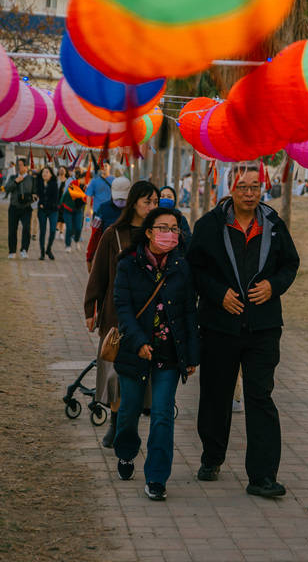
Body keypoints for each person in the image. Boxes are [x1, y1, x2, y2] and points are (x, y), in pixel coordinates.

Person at [187, 162, 300, 498]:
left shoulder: (274, 225)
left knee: (260, 397)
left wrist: (274, 286)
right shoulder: (209, 225)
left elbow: (290, 264)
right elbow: (194, 269)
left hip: (263, 327)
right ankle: (212, 457)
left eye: (255, 187)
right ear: (230, 189)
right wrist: (217, 294)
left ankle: (262, 476)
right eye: (243, 187)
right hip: (219, 326)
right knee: (216, 394)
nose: (250, 193)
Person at [112, 206, 200, 501]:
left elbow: (189, 312)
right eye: (163, 228)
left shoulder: (181, 267)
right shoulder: (128, 264)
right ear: (149, 232)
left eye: (174, 229)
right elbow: (123, 308)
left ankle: (157, 477)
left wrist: (192, 355)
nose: (169, 234)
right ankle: (126, 452)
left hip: (169, 353)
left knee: (163, 414)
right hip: (135, 351)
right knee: (129, 411)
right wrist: (138, 341)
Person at [84, 181, 160, 448]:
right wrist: (90, 308)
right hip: (116, 317)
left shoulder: (159, 235)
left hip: (149, 317)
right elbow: (99, 275)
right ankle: (115, 423)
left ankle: (129, 424)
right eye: (147, 202)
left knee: (142, 377)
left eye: (156, 202)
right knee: (115, 374)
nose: (152, 207)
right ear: (133, 203)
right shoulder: (113, 234)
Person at [86, 176, 132, 272]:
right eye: (118, 198)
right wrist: (90, 256)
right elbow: (95, 235)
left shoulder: (135, 209)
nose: (120, 201)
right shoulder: (102, 209)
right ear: (111, 191)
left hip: (130, 257)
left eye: (123, 198)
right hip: (107, 256)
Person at [4, 157, 37, 260]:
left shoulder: (32, 179)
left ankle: (24, 250)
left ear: (26, 167)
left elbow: (35, 192)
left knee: (26, 228)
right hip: (14, 207)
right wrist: (16, 182)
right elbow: (6, 189)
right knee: (12, 230)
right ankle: (12, 251)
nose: (19, 167)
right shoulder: (13, 177)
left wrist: (33, 197)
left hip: (26, 208)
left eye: (21, 165)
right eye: (17, 165)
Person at [60, 171, 87, 253]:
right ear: (82, 178)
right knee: (69, 228)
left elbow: (88, 199)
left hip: (79, 210)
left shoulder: (87, 187)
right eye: (86, 179)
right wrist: (83, 194)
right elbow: (72, 193)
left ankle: (76, 240)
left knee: (78, 228)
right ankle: (68, 245)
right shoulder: (73, 183)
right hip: (68, 209)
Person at [159, 185, 192, 252]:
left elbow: (187, 241)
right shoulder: (152, 217)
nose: (166, 199)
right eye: (162, 196)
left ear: (174, 200)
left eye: (169, 197)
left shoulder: (180, 218)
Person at [36, 165, 59, 260]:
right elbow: (36, 193)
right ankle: (42, 252)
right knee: (42, 231)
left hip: (53, 210)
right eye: (43, 172)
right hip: (42, 210)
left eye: (47, 172)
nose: (44, 174)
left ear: (51, 174)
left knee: (53, 230)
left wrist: (45, 205)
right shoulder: (38, 182)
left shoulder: (54, 184)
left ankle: (48, 249)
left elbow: (55, 198)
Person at [56, 166, 70, 239]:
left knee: (63, 217)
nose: (61, 171)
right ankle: (56, 230)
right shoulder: (56, 179)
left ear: (65, 172)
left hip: (64, 201)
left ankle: (61, 232)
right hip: (56, 200)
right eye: (60, 170)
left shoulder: (67, 181)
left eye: (63, 170)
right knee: (57, 216)